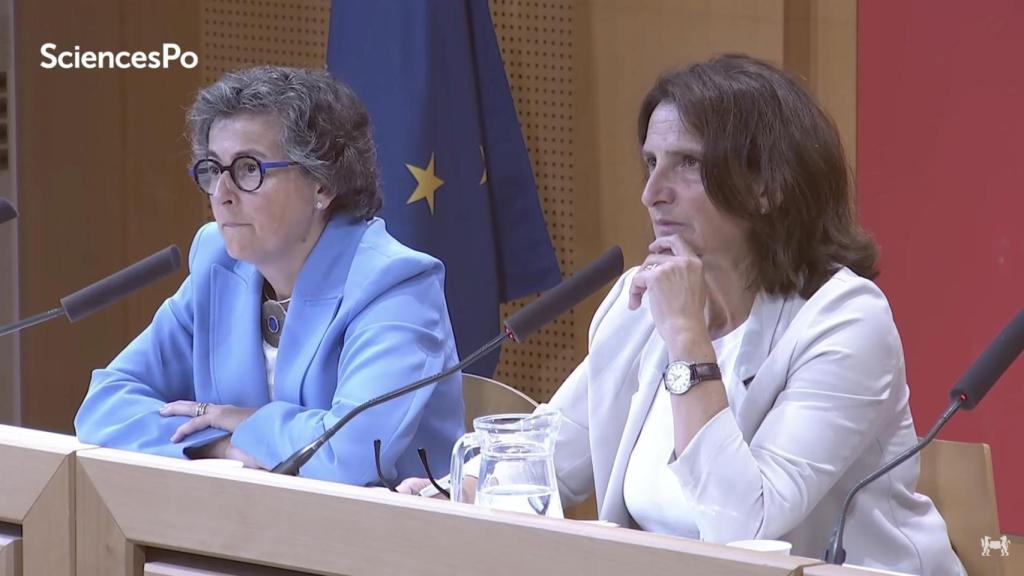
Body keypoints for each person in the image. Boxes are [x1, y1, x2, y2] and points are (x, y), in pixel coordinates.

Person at [400, 55, 963, 575]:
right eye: (650, 163)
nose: (651, 193)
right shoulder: (638, 302)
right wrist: (457, 491)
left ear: (768, 186)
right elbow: (553, 454)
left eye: (687, 163)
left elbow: (745, 528)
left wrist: (688, 340)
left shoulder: (843, 320)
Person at [75, 66, 465, 484]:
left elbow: (347, 456)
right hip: (238, 529)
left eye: (248, 169)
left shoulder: (395, 285)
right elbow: (105, 403)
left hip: (379, 539)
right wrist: (218, 446)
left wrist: (245, 422)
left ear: (321, 184)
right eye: (211, 169)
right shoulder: (218, 263)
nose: (221, 195)